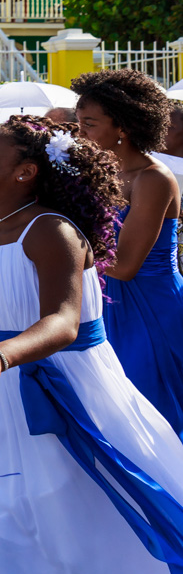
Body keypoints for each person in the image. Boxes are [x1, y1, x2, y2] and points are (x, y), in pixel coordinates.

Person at [0, 116, 183, 574]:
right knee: (9, 505)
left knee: (78, 508)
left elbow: (63, 321)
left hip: (70, 383)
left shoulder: (50, 229)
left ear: (26, 172)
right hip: (14, 386)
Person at [72, 69, 183, 433]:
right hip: (102, 300)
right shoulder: (94, 171)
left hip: (150, 307)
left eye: (89, 123)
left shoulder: (154, 179)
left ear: (123, 126)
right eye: (78, 121)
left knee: (152, 412)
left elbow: (124, 266)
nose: (79, 131)